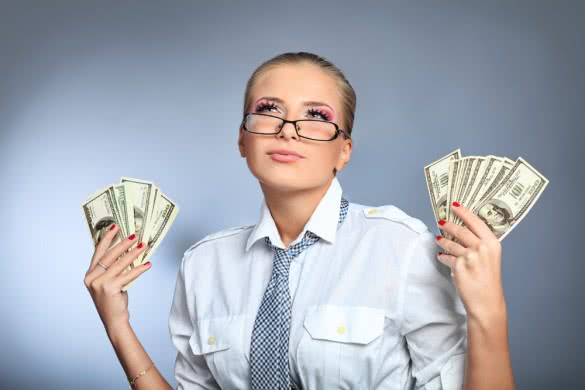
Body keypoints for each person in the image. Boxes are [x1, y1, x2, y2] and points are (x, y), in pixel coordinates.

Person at [84, 51, 515, 389]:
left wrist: (489, 313)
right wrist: (117, 325)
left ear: (343, 151)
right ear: (242, 139)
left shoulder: (402, 249)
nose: (288, 128)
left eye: (316, 115)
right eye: (269, 109)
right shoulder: (202, 264)